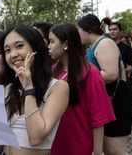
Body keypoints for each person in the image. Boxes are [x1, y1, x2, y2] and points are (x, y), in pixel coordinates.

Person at [0, 24, 69, 155]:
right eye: (7, 50)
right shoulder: (8, 89)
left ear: (35, 47)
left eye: (19, 46)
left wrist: (28, 88)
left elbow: (36, 138)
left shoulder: (58, 87)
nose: (13, 54)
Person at [48, 23, 115, 155]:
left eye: (51, 41)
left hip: (80, 144)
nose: (48, 47)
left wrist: (97, 151)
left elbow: (98, 116)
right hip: (55, 143)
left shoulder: (90, 73)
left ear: (65, 44)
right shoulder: (52, 71)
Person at [78, 14, 132, 155]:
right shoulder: (94, 46)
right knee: (107, 149)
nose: (78, 33)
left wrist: (79, 77)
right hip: (106, 100)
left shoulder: (104, 43)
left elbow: (110, 74)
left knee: (116, 150)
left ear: (87, 30)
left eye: (79, 30)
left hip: (115, 99)